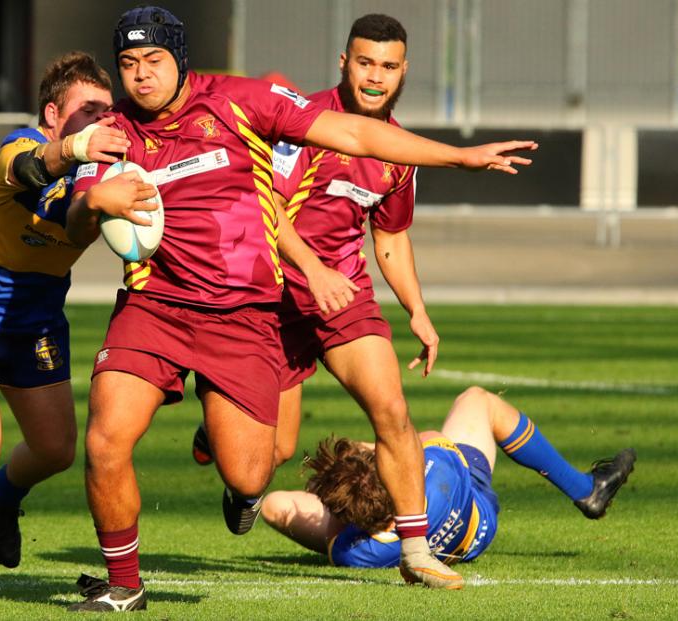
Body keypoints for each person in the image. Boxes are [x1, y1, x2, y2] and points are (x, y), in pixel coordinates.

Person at [65, 6, 536, 611]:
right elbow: (79, 221)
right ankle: (123, 584)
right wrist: (93, 200)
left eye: (153, 61)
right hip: (163, 304)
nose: (141, 76)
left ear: (179, 59)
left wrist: (460, 157)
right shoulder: (113, 132)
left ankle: (396, 540)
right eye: (128, 64)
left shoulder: (243, 101)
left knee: (257, 470)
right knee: (106, 438)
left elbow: (359, 141)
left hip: (252, 313)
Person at [192, 13, 462, 589]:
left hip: (344, 297)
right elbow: (265, 209)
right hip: (269, 298)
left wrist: (416, 307)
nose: (374, 77)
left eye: (388, 67)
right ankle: (227, 445)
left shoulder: (398, 152)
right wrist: (311, 270)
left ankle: (415, 552)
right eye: (364, 63)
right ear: (344, 63)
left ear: (403, 72)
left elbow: (388, 237)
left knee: (391, 409)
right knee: (271, 456)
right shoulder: (299, 124)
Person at [0, 51, 153, 602]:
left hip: (37, 318)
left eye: (106, 110)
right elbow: (31, 170)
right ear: (52, 114)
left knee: (56, 450)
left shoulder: (109, 176)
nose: (101, 120)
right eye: (86, 110)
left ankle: (4, 497)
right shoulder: (20, 146)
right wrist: (76, 151)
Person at [261, 386, 636, 573]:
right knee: (477, 399)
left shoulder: (354, 551)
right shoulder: (436, 468)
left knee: (276, 505)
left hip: (417, 539)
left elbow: (280, 506)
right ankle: (586, 489)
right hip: (475, 513)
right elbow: (414, 443)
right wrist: (368, 452)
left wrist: (339, 500)